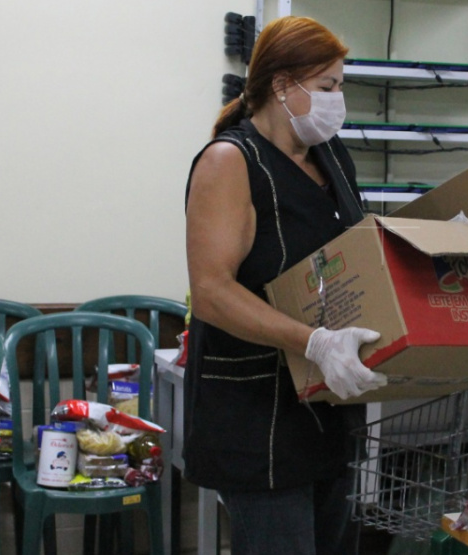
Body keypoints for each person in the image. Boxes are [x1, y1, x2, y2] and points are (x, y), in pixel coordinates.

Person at [183, 16, 387, 554]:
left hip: (329, 414)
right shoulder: (231, 162)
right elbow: (210, 291)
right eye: (327, 87)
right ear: (281, 85)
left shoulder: (331, 156)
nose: (337, 100)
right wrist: (314, 343)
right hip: (258, 420)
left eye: (340, 87)